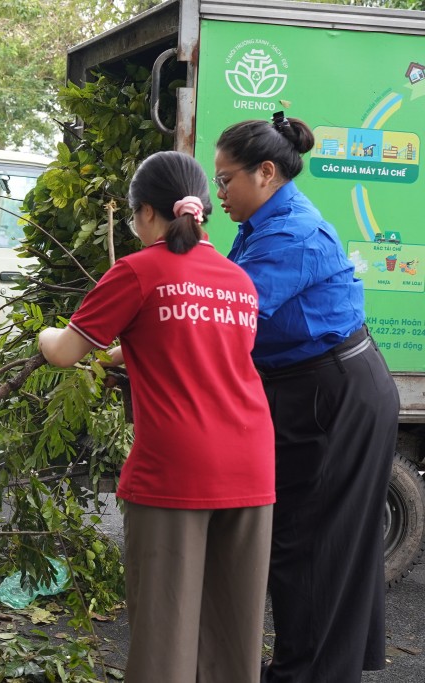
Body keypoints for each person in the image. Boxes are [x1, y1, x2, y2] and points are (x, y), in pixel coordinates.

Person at [37, 151, 275, 683]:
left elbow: (62, 353)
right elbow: (201, 344)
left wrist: (43, 335)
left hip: (177, 470)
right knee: (233, 637)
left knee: (164, 636)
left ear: (146, 213)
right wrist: (127, 349)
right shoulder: (237, 279)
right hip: (252, 465)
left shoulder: (139, 270)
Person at [215, 113, 399, 683]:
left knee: (309, 546)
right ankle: (330, 669)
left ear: (266, 172)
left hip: (335, 393)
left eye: (226, 180)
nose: (219, 192)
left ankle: (305, 675)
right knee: (329, 540)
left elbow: (228, 318)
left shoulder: (293, 233)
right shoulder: (263, 223)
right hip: (314, 386)